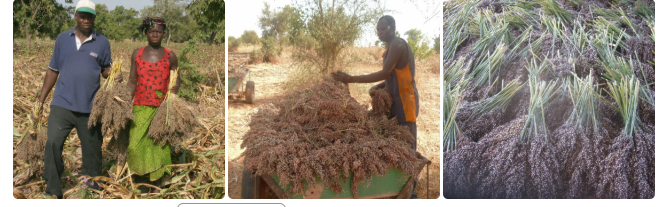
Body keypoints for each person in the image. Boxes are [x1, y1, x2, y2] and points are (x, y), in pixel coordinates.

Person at [331, 15, 420, 198]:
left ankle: (411, 191)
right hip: (395, 103)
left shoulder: (398, 45)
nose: (380, 33)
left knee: (408, 144)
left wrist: (352, 79)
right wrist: (377, 87)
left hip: (405, 102)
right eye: (377, 30)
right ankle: (396, 184)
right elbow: (390, 78)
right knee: (396, 142)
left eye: (383, 29)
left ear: (393, 28)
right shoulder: (388, 50)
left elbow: (385, 72)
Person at [36, 0, 114, 199]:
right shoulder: (63, 39)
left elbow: (105, 69)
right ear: (76, 16)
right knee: (52, 143)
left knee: (92, 151)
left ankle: (91, 189)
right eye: (83, 15)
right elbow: (53, 70)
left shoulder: (102, 42)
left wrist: (113, 74)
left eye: (90, 16)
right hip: (62, 104)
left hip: (90, 107)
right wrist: (41, 99)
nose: (86, 19)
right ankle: (52, 190)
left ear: (95, 18)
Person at [126, 17, 180, 186]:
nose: (155, 34)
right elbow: (132, 80)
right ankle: (137, 177)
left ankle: (157, 182)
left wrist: (175, 87)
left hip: (161, 107)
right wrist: (125, 101)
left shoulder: (170, 56)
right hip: (140, 106)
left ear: (164, 33)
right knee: (134, 144)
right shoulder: (137, 53)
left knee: (157, 145)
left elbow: (177, 78)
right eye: (151, 31)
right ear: (146, 33)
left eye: (158, 31)